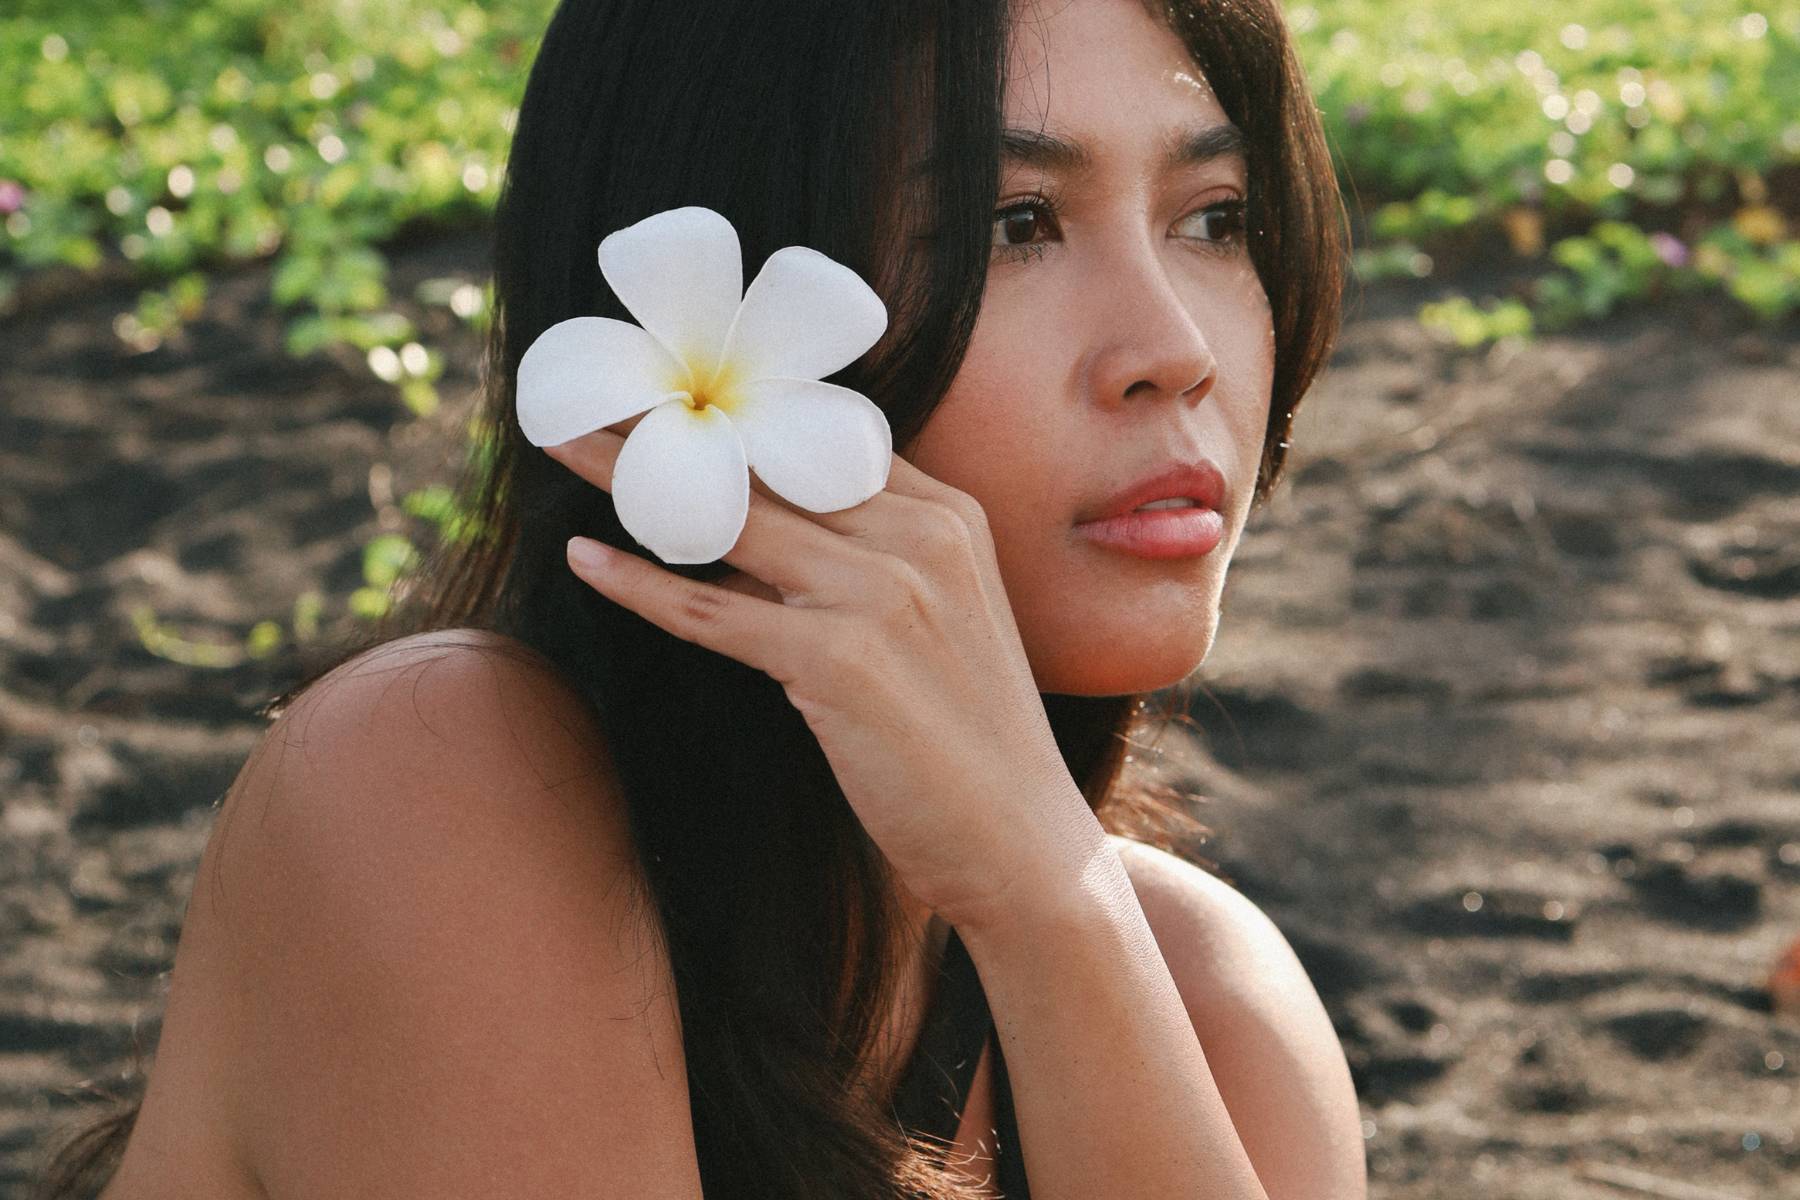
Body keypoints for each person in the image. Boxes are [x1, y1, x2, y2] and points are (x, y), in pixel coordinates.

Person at [38, 0, 1360, 1195]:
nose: (1175, 352)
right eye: (1016, 224)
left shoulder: (1204, 1004)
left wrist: (1049, 898)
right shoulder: (430, 784)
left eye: (1217, 219)